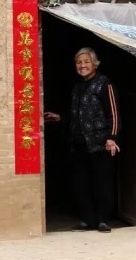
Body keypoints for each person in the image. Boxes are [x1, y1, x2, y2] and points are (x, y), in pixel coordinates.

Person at [44, 47, 120, 232]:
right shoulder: (77, 87)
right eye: (79, 62)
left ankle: (102, 219)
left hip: (100, 142)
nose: (82, 65)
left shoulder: (104, 84)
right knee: (80, 184)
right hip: (78, 143)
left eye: (86, 61)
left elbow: (114, 113)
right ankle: (88, 219)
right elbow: (77, 115)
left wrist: (112, 137)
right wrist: (60, 118)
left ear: (95, 64)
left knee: (101, 182)